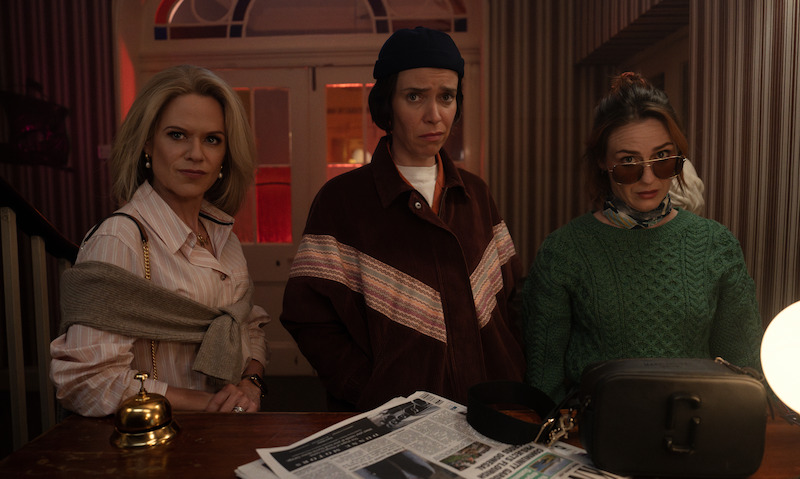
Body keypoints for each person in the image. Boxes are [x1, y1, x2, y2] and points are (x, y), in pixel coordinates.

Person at [280, 27, 525, 411]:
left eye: (446, 97)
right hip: (389, 421)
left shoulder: (475, 194)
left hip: (488, 410)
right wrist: (369, 391)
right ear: (387, 105)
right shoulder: (341, 201)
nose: (434, 115)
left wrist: (514, 374)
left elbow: (511, 300)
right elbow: (309, 319)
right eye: (414, 97)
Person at [522, 72, 763, 403]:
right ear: (602, 162)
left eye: (662, 158)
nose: (648, 179)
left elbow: (744, 370)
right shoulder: (564, 252)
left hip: (697, 424)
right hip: (599, 428)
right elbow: (543, 384)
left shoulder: (715, 245)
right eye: (628, 162)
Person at [50, 65, 270, 417]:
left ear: (225, 156)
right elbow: (87, 381)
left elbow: (247, 326)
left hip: (225, 433)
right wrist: (208, 405)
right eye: (177, 135)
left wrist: (250, 383)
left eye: (212, 139)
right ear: (148, 143)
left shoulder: (223, 237)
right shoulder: (119, 240)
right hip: (159, 438)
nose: (196, 153)